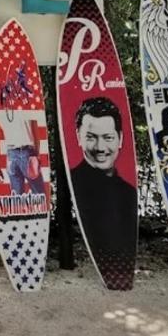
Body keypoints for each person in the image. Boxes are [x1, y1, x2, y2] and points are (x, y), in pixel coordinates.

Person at [68, 96, 136, 283]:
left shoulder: (129, 192)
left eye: (108, 137)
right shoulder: (74, 183)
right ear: (78, 137)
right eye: (91, 137)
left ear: (120, 139)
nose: (100, 148)